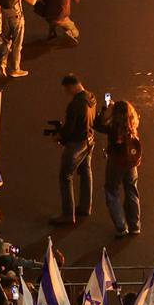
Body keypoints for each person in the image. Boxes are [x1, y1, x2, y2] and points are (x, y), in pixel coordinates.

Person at [53, 73, 95, 225]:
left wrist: (59, 137)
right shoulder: (91, 98)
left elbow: (69, 129)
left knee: (65, 176)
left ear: (71, 86)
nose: (66, 93)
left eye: (66, 90)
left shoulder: (75, 104)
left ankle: (68, 215)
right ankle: (85, 206)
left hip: (77, 144)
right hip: (89, 140)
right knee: (86, 172)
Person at [103, 97, 143, 239]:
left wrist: (107, 111)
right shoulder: (132, 125)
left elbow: (99, 124)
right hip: (131, 163)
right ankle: (135, 226)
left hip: (116, 163)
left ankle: (121, 227)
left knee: (112, 191)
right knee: (131, 190)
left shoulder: (114, 128)